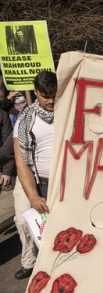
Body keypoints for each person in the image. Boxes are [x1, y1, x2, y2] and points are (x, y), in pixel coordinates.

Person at [12, 71, 57, 280]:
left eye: (54, 95)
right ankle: (36, 269)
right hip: (41, 184)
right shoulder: (25, 120)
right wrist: (33, 196)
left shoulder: (69, 110)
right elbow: (22, 163)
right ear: (36, 92)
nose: (51, 101)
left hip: (66, 183)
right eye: (46, 96)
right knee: (36, 229)